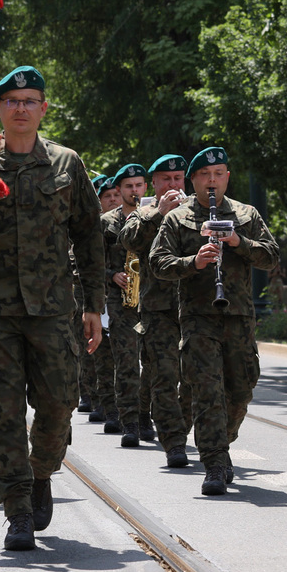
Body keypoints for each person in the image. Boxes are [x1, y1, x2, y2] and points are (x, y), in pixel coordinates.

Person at [0, 65, 104, 551]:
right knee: (1, 413)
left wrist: (95, 304)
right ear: (0, 109)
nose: (22, 108)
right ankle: (18, 510)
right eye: (13, 101)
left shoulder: (67, 163)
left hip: (52, 310)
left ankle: (42, 469)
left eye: (31, 100)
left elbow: (89, 235)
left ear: (44, 108)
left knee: (58, 403)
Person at [150, 146, 279, 496]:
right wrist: (195, 261)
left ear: (227, 177)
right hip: (197, 318)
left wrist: (238, 242)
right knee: (207, 391)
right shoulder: (178, 218)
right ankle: (215, 462)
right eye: (205, 175)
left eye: (218, 174)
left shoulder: (245, 214)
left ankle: (221, 438)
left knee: (240, 388)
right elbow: (157, 263)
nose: (212, 180)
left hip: (238, 317)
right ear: (193, 180)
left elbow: (271, 257)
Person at [118, 155, 191, 468]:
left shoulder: (199, 210)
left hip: (195, 309)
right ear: (155, 184)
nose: (173, 185)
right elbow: (129, 240)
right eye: (166, 179)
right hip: (158, 311)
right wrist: (160, 213)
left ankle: (184, 429)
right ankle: (173, 442)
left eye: (178, 178)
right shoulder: (143, 213)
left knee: (194, 380)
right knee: (163, 376)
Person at [101, 162, 153, 448]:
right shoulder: (106, 223)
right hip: (121, 302)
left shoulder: (156, 217)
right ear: (118, 190)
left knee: (155, 365)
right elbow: (89, 263)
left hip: (153, 298)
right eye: (128, 187)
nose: (134, 191)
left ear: (145, 187)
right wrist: (112, 275)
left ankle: (146, 414)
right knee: (127, 363)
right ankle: (130, 421)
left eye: (139, 185)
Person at [85, 176, 120, 428]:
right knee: (100, 355)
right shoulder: (94, 225)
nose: (113, 200)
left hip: (128, 299)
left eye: (116, 195)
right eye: (107, 196)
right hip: (100, 298)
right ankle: (102, 401)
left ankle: (131, 410)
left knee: (127, 358)